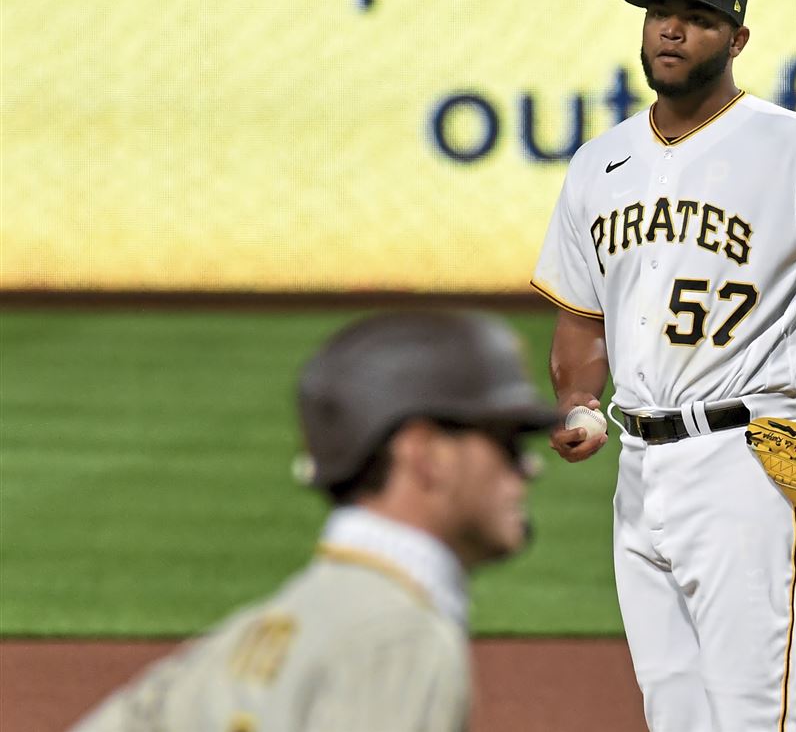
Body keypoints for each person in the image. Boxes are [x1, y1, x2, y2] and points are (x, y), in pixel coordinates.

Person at [531, 0, 796, 732]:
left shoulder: (795, 147)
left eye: (697, 19)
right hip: (638, 474)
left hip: (745, 467)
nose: (672, 31)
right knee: (676, 717)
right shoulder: (598, 163)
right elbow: (582, 314)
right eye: (660, 14)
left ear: (738, 39)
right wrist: (578, 399)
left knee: (759, 721)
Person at [69, 311, 557, 732]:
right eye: (507, 443)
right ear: (423, 453)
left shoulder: (262, 629)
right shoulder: (399, 640)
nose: (527, 468)